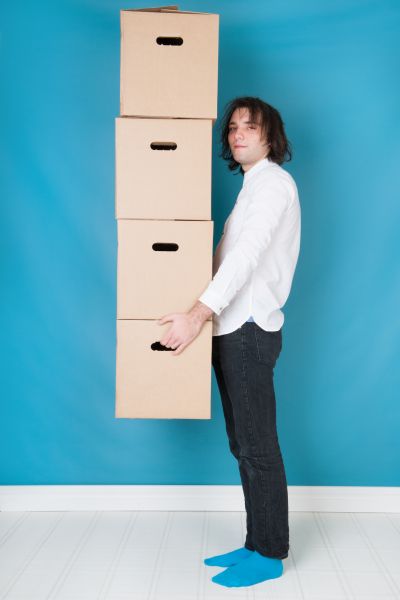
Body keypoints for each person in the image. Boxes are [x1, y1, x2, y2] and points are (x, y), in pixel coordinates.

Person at [158, 96, 301, 587]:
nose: (238, 134)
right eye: (233, 128)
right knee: (243, 445)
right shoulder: (251, 189)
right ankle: (254, 542)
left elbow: (244, 260)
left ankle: (270, 553)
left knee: (258, 446)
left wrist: (197, 315)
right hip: (231, 328)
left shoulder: (275, 186)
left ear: (270, 135)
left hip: (249, 330)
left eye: (250, 126)